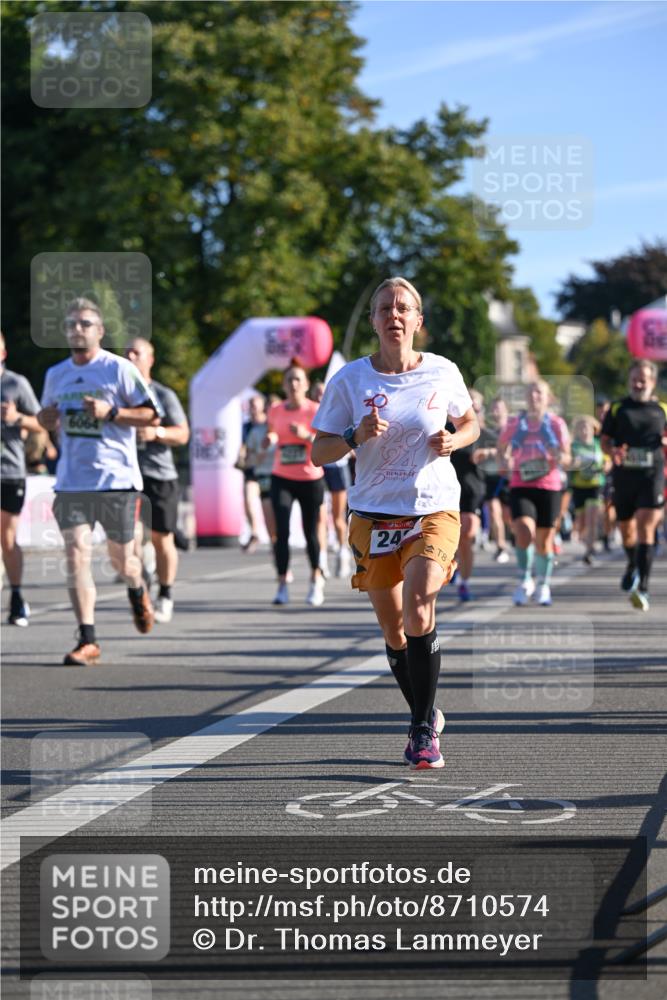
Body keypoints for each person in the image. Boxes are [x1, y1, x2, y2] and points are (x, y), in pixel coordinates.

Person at [312, 277, 479, 769]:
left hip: (433, 506)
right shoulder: (349, 380)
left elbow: (470, 422)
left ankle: (421, 730)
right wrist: (352, 434)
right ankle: (425, 709)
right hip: (373, 512)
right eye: (385, 308)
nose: (395, 315)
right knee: (394, 631)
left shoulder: (443, 371)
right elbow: (318, 452)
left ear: (418, 321)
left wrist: (456, 440)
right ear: (373, 321)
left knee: (420, 599)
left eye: (404, 308)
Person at [38, 299, 162, 665]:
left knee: (123, 562)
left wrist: (112, 413)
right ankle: (88, 639)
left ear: (100, 331)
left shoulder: (119, 369)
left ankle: (138, 588)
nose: (77, 329)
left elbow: (152, 416)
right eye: (72, 324)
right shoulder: (55, 374)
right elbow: (48, 421)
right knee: (76, 554)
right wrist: (45, 419)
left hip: (116, 479)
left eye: (85, 324)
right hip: (72, 480)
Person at [125, 338, 190, 623]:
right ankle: (144, 581)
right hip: (126, 475)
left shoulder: (163, 394)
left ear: (150, 359)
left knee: (162, 539)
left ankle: (166, 592)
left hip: (159, 475)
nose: (130, 356)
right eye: (127, 352)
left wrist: (157, 434)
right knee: (129, 539)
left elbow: (183, 434)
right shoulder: (117, 394)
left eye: (137, 352)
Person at [600, 360, 667, 611]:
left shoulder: (662, 409)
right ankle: (631, 564)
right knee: (627, 531)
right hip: (624, 476)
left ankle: (644, 588)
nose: (639, 383)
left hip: (652, 476)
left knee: (646, 527)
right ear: (629, 381)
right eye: (635, 379)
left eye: (644, 379)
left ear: (652, 381)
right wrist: (613, 451)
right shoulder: (617, 408)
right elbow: (605, 440)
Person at [498, 381, 571, 607]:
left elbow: (568, 458)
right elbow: (502, 449)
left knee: (544, 541)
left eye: (539, 391)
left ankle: (543, 585)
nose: (534, 396)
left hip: (549, 486)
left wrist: (560, 458)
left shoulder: (557, 424)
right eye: (530, 392)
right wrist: (505, 462)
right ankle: (524, 581)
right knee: (523, 531)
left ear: (548, 397)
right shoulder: (514, 423)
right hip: (521, 484)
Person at [265, 364, 326, 607]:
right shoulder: (276, 410)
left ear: (306, 384)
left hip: (310, 477)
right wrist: (268, 439)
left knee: (311, 532)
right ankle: (282, 583)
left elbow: (324, 444)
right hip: (282, 476)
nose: (293, 384)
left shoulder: (315, 411)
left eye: (298, 380)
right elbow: (272, 432)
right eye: (289, 380)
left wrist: (305, 436)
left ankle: (315, 579)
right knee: (282, 532)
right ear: (283, 385)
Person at [1, 332, 42, 625]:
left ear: (3, 353)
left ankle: (16, 596)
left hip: (9, 471)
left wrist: (17, 418)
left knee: (7, 537)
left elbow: (44, 422)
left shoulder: (16, 384)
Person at [446, 390, 494, 601]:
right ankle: (453, 563)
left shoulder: (483, 433)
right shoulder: (445, 429)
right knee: (454, 537)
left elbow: (504, 452)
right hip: (447, 489)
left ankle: (464, 582)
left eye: (477, 407)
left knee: (467, 533)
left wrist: (489, 454)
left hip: (473, 488)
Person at [309, 379, 353, 578]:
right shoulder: (311, 414)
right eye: (317, 393)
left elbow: (352, 438)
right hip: (318, 469)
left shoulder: (341, 410)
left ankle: (343, 553)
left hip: (338, 468)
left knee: (337, 517)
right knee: (319, 517)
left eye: (322, 393)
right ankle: (322, 558)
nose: (320, 397)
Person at [475, 396, 512, 564]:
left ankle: (519, 541)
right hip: (491, 477)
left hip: (510, 478)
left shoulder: (513, 430)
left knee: (508, 516)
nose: (496, 412)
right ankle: (501, 546)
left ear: (506, 411)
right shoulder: (486, 431)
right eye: (493, 409)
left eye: (499, 409)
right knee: (494, 511)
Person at [568, 415, 607, 565]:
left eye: (587, 428)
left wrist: (605, 467)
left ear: (593, 429)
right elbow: (567, 463)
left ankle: (589, 550)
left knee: (592, 518)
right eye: (581, 428)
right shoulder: (574, 446)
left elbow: (607, 462)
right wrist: (574, 463)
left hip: (595, 485)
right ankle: (587, 542)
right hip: (579, 486)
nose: (584, 431)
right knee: (581, 522)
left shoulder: (598, 445)